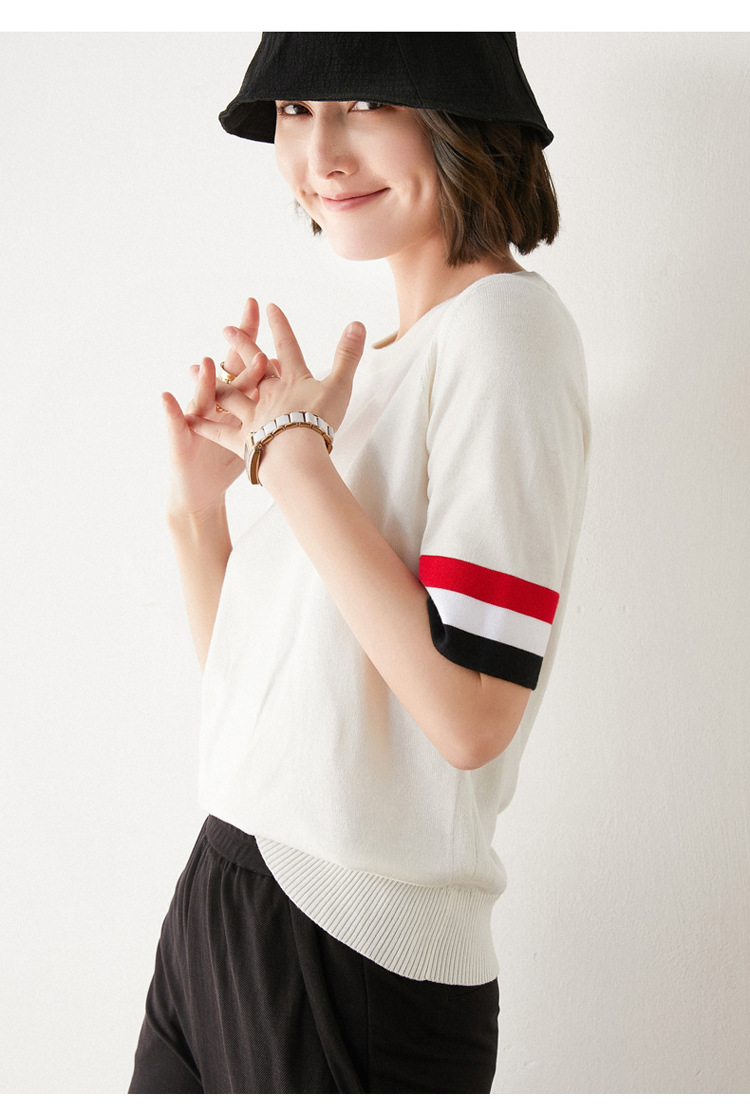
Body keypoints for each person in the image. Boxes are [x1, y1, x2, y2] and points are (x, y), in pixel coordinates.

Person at [129, 32, 590, 1094]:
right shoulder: (375, 374)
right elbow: (279, 718)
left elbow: (472, 713)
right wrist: (199, 511)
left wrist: (293, 458)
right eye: (295, 108)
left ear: (462, 115)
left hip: (350, 952)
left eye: (366, 100)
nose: (320, 153)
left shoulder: (505, 334)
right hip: (229, 887)